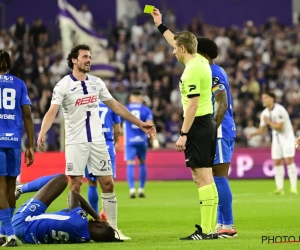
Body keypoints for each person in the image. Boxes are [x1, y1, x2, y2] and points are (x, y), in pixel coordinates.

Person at [36, 44, 156, 241]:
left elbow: (116, 106)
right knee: (75, 185)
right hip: (76, 142)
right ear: (74, 60)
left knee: (108, 184)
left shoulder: (97, 83)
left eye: (90, 57)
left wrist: (140, 123)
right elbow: (52, 111)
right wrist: (42, 132)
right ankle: (76, 230)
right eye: (85, 56)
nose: (89, 60)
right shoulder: (63, 85)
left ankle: (114, 229)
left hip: (98, 142)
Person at [151, 9, 218, 240]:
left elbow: (191, 105)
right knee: (205, 176)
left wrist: (183, 134)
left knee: (201, 177)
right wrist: (161, 25)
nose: (172, 51)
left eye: (174, 48)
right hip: (206, 122)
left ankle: (208, 230)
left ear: (182, 50)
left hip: (197, 125)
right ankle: (211, 228)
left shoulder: (191, 72)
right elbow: (178, 41)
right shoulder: (199, 59)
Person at [196, 38, 237, 238]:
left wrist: (212, 128)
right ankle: (221, 223)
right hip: (222, 129)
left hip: (219, 131)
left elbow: (222, 103)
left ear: (203, 54)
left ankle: (228, 226)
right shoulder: (217, 70)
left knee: (219, 177)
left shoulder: (212, 72)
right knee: (216, 177)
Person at [13, 174, 121, 244]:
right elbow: (74, 214)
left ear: (98, 225)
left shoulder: (79, 221)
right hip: (27, 238)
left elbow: (73, 194)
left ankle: (20, 189)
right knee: (65, 213)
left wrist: (96, 216)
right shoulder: (84, 238)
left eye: (103, 223)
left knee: (61, 179)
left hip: (22, 222)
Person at [0, 49, 34, 247]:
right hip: (13, 142)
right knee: (11, 188)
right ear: (9, 64)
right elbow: (28, 115)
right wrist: (30, 145)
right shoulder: (19, 84)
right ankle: (4, 233)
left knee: (0, 189)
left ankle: (9, 234)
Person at [248, 92, 298, 195]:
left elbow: (280, 127)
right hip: (276, 139)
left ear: (272, 99)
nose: (263, 100)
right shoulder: (264, 113)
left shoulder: (280, 110)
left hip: (287, 138)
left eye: (265, 98)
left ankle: (293, 187)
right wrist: (253, 134)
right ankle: (279, 188)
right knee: (277, 162)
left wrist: (268, 121)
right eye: (262, 98)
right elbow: (262, 130)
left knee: (289, 160)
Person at [84, 100, 121, 219]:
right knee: (109, 183)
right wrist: (113, 142)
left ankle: (95, 217)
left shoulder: (85, 104)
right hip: (107, 144)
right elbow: (118, 130)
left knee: (91, 182)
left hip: (90, 144)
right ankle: (107, 214)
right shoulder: (111, 104)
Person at [124, 90, 158, 198]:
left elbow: (118, 124)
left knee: (130, 163)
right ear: (140, 98)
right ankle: (142, 189)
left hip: (130, 140)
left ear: (131, 98)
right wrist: (154, 140)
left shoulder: (126, 108)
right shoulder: (146, 109)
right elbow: (149, 124)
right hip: (142, 140)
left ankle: (132, 190)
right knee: (142, 163)